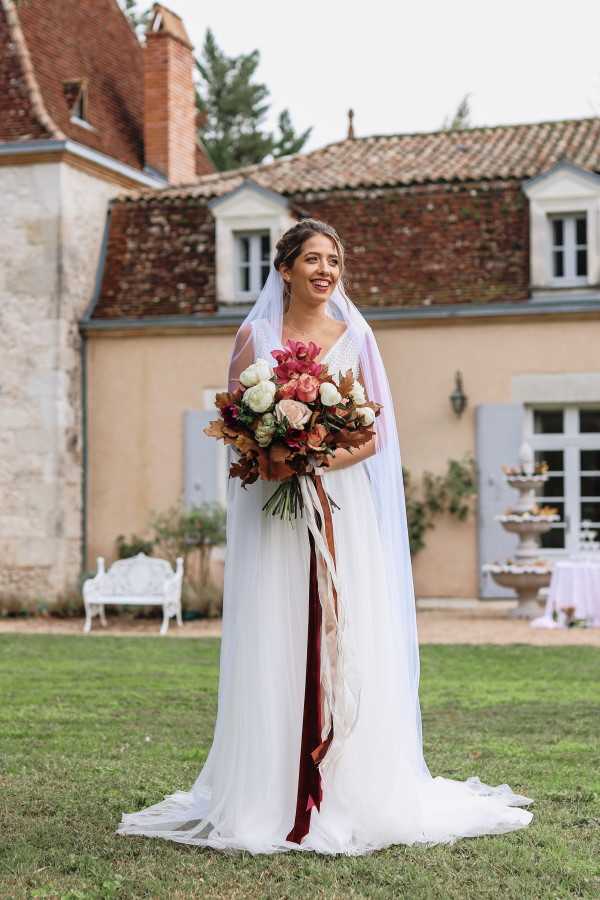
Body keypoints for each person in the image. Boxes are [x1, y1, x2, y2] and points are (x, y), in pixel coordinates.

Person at [117, 219, 533, 854]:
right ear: (283, 269)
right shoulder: (253, 335)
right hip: (271, 515)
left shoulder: (353, 336)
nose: (325, 271)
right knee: (275, 632)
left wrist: (315, 461)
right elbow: (233, 421)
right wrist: (270, 453)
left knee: (348, 633)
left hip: (340, 509)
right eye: (312, 259)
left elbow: (374, 435)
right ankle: (268, 787)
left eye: (333, 261)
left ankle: (346, 784)